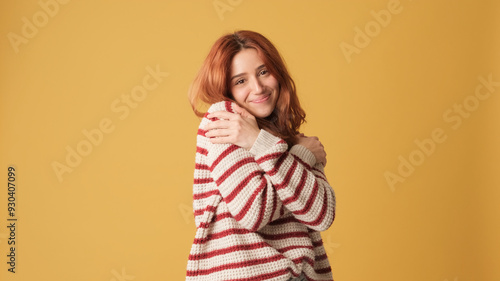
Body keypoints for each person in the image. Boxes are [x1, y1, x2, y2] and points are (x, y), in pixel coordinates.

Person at [186, 30, 336, 281]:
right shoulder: (224, 121)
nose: (258, 88)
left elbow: (321, 213)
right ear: (226, 88)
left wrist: (260, 142)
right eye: (240, 81)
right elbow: (254, 210)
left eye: (263, 72)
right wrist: (299, 157)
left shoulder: (292, 138)